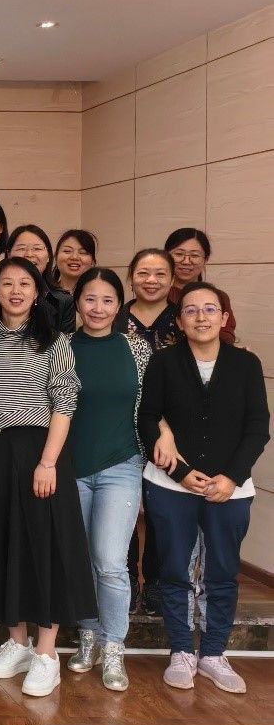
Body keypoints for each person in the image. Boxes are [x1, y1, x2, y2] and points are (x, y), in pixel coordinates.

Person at [0, 257, 93, 698]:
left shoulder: (54, 341)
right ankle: (17, 643)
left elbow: (65, 402)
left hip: (42, 454)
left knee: (46, 548)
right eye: (7, 283)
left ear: (38, 293)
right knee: (5, 546)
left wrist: (48, 461)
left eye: (25, 283)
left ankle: (46, 654)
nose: (16, 291)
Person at [140, 281, 269, 694]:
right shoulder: (163, 362)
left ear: (224, 318)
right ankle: (181, 650)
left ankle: (213, 653)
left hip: (231, 489)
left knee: (223, 572)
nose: (201, 317)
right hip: (171, 486)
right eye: (191, 310)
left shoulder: (246, 364)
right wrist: (180, 473)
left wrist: (232, 477)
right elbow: (147, 419)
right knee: (175, 570)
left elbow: (257, 427)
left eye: (210, 309)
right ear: (179, 321)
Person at [64, 268, 152, 692]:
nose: (98, 308)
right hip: (71, 468)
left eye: (107, 300)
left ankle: (114, 646)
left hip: (122, 465)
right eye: (90, 299)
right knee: (81, 560)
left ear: (120, 305)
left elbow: (152, 407)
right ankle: (88, 636)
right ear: (78, 302)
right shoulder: (60, 347)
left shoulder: (137, 348)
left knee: (111, 561)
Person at [116, 248, 180, 616]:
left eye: (159, 274)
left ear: (172, 279)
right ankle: (125, 576)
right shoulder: (115, 316)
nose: (151, 280)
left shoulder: (182, 318)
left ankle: (155, 580)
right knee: (122, 503)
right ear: (131, 277)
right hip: (123, 424)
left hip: (171, 425)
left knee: (161, 506)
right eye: (143, 273)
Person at [165, 228, 237, 344]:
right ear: (166, 257)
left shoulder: (219, 297)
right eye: (179, 254)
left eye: (194, 255)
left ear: (205, 260)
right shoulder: (157, 294)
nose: (186, 261)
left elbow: (226, 337)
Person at [7, 224, 75, 332]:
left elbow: (66, 341)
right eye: (21, 248)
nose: (29, 254)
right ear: (9, 255)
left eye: (37, 248)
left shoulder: (64, 301)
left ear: (48, 256)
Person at [53, 229, 98, 296]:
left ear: (93, 262)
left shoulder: (102, 294)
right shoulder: (43, 294)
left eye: (83, 252)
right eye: (67, 251)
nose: (74, 257)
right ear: (56, 257)